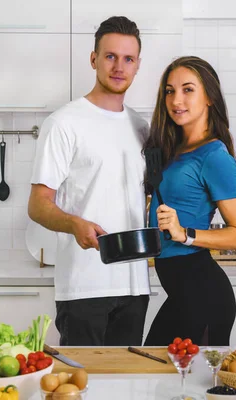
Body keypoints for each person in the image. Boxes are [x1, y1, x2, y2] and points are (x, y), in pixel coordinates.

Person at [27, 16, 150, 346]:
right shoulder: (64, 122)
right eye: (110, 56)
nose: (118, 66)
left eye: (128, 59)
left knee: (127, 390)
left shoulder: (142, 127)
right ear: (94, 59)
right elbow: (38, 206)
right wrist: (74, 223)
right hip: (84, 285)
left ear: (138, 65)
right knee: (80, 388)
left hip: (135, 285)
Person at [143, 56, 236, 346]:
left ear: (209, 98)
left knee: (188, 384)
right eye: (169, 90)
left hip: (203, 294)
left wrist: (185, 234)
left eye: (188, 89)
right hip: (182, 291)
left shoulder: (214, 156)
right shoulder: (174, 149)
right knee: (159, 377)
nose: (176, 99)